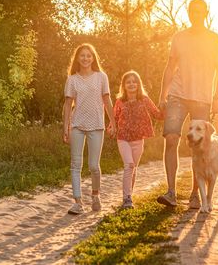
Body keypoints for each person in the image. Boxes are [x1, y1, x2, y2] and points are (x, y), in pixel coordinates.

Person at [157, 0, 218, 208]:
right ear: (188, 13)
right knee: (171, 139)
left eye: (199, 11)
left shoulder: (215, 40)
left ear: (205, 13)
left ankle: (195, 194)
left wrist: (217, 98)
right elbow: (170, 67)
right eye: (192, 11)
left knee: (200, 147)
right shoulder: (179, 37)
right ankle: (171, 193)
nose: (195, 14)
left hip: (202, 98)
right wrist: (163, 95)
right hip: (178, 95)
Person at [62, 43, 116, 214]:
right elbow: (68, 104)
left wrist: (113, 122)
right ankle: (78, 202)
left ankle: (95, 195)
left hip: (97, 126)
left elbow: (107, 100)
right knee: (75, 164)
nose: (85, 58)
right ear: (77, 58)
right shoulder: (72, 79)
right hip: (77, 125)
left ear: (93, 58)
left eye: (89, 55)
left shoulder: (101, 77)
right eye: (82, 55)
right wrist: (66, 127)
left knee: (94, 165)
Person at [112, 70, 163, 209]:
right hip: (123, 138)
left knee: (133, 167)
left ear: (138, 84)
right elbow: (114, 118)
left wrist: (167, 106)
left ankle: (129, 195)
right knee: (128, 165)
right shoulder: (120, 101)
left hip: (138, 139)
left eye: (134, 81)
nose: (131, 84)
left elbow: (157, 114)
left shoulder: (144, 99)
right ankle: (126, 198)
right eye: (128, 82)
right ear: (124, 86)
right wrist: (111, 127)